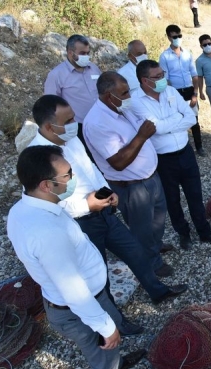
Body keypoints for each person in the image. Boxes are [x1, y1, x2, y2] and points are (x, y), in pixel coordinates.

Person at [7, 145, 155, 369]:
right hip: (78, 308)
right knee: (102, 360)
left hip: (88, 298)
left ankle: (119, 363)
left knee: (109, 351)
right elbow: (73, 289)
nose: (72, 178)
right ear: (46, 184)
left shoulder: (27, 207)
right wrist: (105, 327)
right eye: (67, 174)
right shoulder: (46, 231)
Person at [28, 95, 188, 309]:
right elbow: (47, 203)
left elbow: (90, 168)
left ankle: (158, 292)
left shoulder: (72, 140)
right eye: (67, 122)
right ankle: (114, 321)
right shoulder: (35, 158)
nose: (73, 125)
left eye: (73, 118)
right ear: (49, 126)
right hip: (79, 222)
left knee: (135, 252)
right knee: (98, 270)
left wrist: (107, 190)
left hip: (103, 210)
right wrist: (86, 206)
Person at [83, 71, 174, 278]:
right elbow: (118, 162)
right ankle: (151, 264)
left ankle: (155, 245)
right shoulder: (97, 122)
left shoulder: (120, 107)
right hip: (131, 186)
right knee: (141, 228)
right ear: (108, 96)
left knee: (157, 218)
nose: (128, 97)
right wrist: (142, 136)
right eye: (124, 94)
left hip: (150, 177)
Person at [132, 60, 211, 250]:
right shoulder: (136, 101)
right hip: (163, 159)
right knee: (172, 199)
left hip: (185, 152)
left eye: (162, 74)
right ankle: (183, 233)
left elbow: (190, 117)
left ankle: (204, 231)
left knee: (195, 195)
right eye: (157, 77)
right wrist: (176, 118)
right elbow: (155, 128)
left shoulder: (171, 91)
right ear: (145, 81)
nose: (162, 79)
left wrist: (168, 123)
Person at [44, 34, 100, 153]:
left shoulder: (94, 68)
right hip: (80, 127)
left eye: (88, 53)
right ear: (70, 53)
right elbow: (50, 105)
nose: (86, 57)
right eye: (82, 53)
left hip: (101, 121)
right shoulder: (57, 75)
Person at [159, 25, 205, 156]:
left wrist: (195, 93)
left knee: (194, 120)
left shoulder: (187, 54)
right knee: (179, 121)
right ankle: (184, 148)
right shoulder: (164, 57)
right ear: (168, 37)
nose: (177, 39)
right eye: (174, 37)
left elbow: (194, 75)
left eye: (179, 36)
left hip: (190, 90)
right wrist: (171, 97)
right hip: (176, 92)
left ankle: (199, 147)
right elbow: (166, 79)